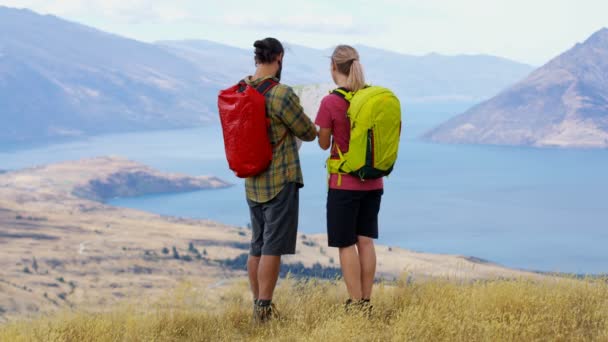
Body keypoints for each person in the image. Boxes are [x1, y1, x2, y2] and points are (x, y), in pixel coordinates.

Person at [243, 37, 317, 322]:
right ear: (279, 58)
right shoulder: (280, 94)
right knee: (272, 246)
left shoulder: (242, 88)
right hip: (280, 178)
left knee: (257, 244)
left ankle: (257, 305)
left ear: (256, 60)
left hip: (252, 179)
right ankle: (264, 309)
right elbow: (308, 132)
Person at [315, 45, 383, 310]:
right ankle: (366, 301)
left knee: (346, 244)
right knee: (365, 241)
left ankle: (355, 305)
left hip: (344, 185)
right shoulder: (373, 97)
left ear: (333, 67)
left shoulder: (330, 101)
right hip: (374, 182)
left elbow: (323, 144)